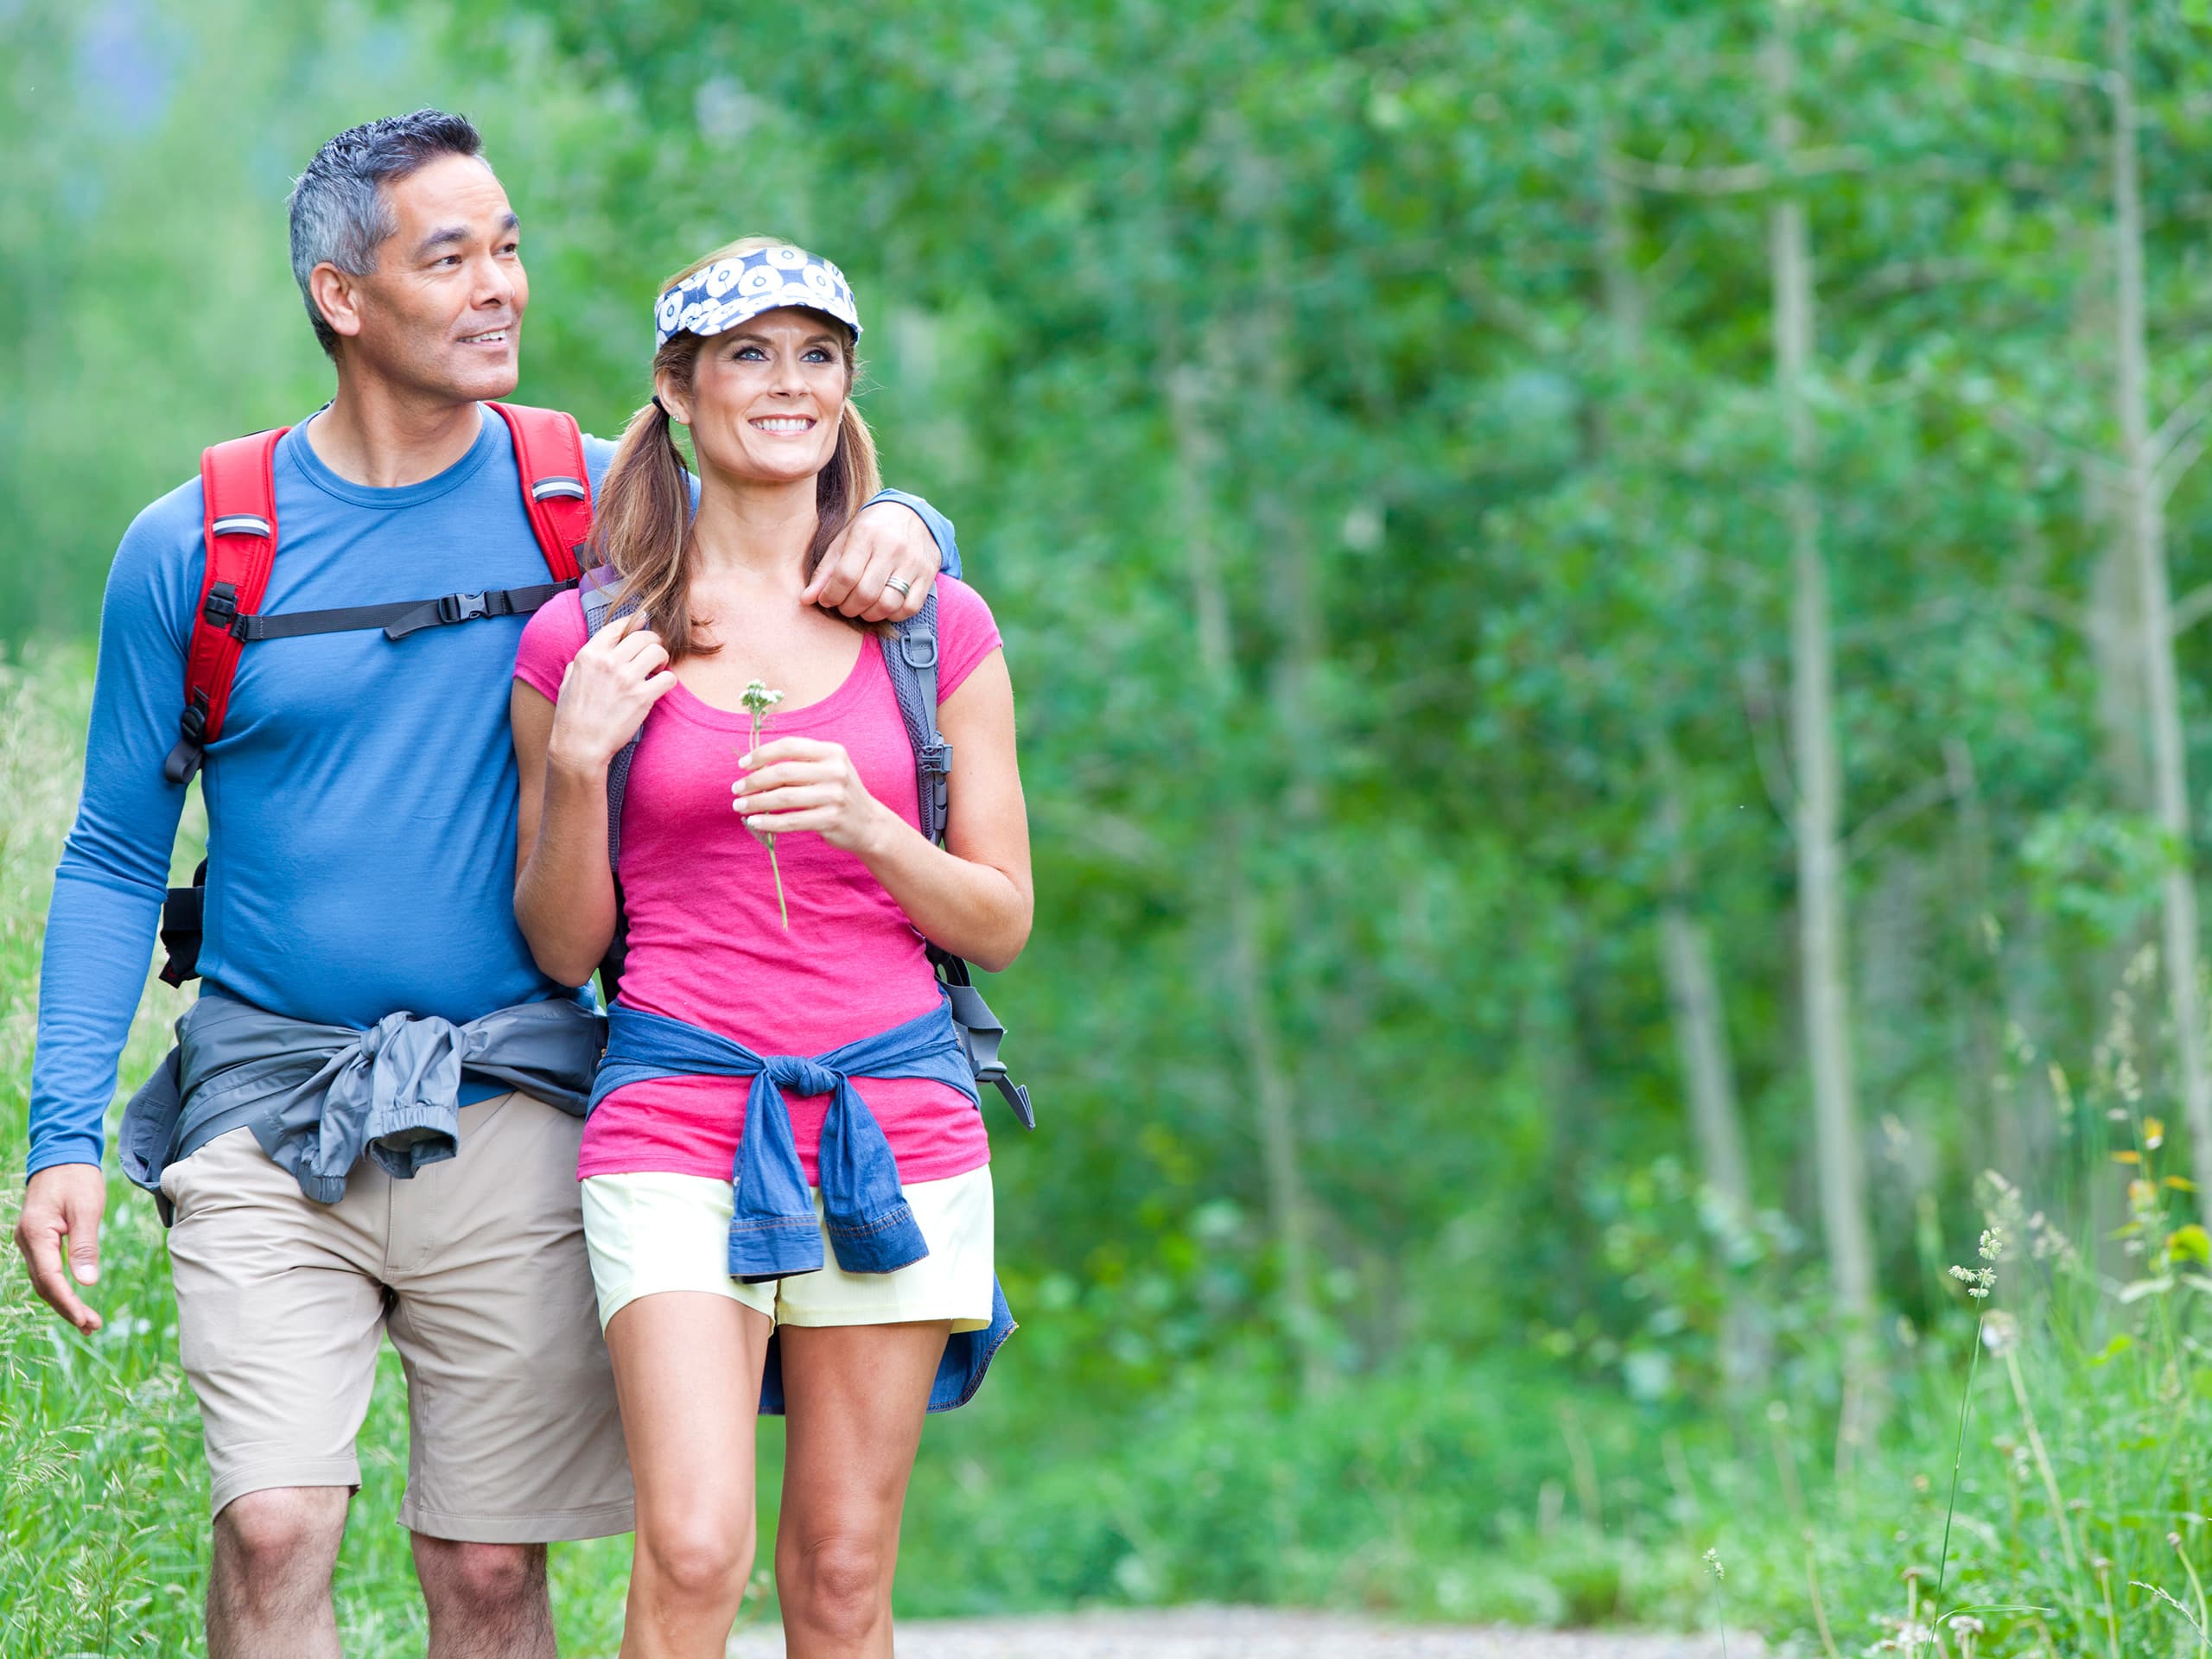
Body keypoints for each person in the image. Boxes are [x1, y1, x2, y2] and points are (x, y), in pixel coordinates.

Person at [13, 113, 958, 1659]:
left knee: (491, 1573)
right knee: (273, 1521)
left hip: (519, 1097)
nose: (501, 286)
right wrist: (61, 1137)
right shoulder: (200, 546)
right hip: (265, 1102)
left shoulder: (581, 500)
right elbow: (116, 852)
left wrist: (920, 522)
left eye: (508, 247)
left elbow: (795, 505)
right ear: (342, 295)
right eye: (449, 256)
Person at [510, 236, 1032, 1659]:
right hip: (675, 1112)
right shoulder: (587, 640)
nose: (786, 384)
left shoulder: (936, 624)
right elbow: (563, 951)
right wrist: (579, 769)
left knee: (846, 1575)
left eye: (816, 355)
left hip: (899, 1115)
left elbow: (1000, 918)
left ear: (848, 386)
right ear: (678, 389)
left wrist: (871, 827)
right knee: (691, 1549)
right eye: (747, 354)